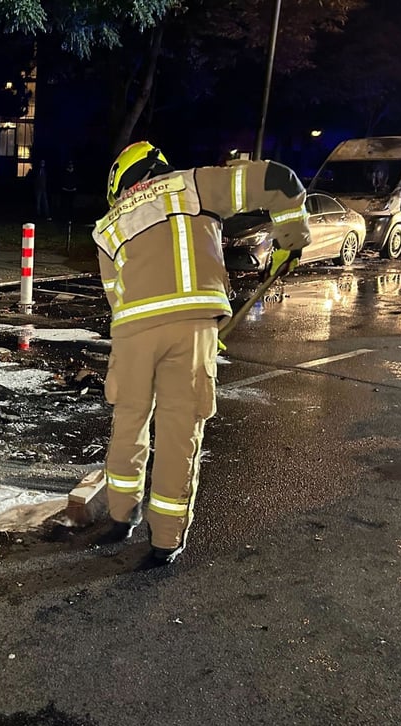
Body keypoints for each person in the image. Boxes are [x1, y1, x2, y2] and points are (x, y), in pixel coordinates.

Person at [90, 141, 311, 565]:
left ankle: (120, 517)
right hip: (191, 329)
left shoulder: (107, 227)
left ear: (121, 185)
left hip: (133, 334)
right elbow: (280, 180)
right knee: (179, 430)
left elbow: (116, 298)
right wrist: (290, 237)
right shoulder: (195, 185)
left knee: (128, 422)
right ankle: (164, 542)